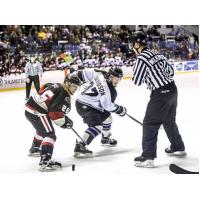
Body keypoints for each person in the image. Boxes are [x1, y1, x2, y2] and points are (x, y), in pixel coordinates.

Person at [130, 31, 186, 168]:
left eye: (132, 44)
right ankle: (178, 147)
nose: (131, 47)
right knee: (169, 121)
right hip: (172, 89)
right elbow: (171, 71)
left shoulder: (142, 58)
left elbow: (136, 81)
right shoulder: (157, 53)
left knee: (150, 123)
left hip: (160, 93)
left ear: (137, 44)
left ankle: (148, 157)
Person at [25, 73, 82, 171]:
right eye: (74, 86)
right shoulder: (64, 95)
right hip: (38, 112)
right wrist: (64, 123)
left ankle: (35, 148)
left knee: (42, 129)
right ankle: (45, 161)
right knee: (50, 134)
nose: (75, 89)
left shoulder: (56, 85)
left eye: (77, 87)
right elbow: (54, 114)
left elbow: (43, 87)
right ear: (68, 84)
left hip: (30, 107)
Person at [73, 66, 127, 157]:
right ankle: (81, 145)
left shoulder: (100, 74)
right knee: (97, 126)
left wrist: (74, 75)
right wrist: (120, 110)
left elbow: (85, 73)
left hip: (86, 103)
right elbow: (108, 106)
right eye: (116, 78)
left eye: (119, 79)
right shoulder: (110, 91)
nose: (117, 81)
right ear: (110, 76)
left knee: (108, 118)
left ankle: (105, 138)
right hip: (86, 106)